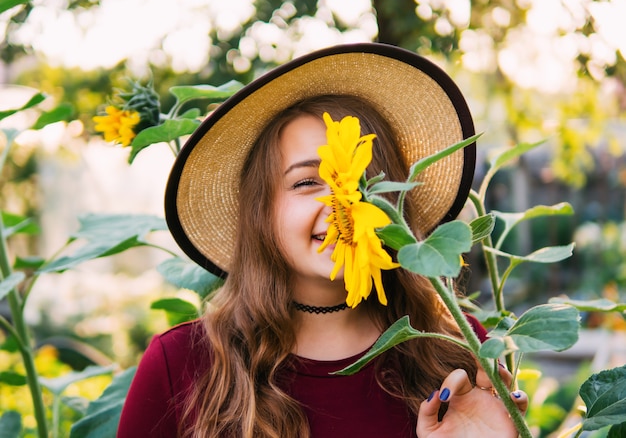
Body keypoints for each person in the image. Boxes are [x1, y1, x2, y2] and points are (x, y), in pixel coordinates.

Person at [117, 43, 527, 437]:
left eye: (359, 182)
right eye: (307, 181)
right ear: (261, 210)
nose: (342, 204)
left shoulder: (456, 351)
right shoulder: (183, 366)